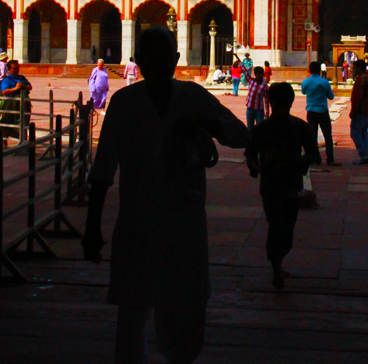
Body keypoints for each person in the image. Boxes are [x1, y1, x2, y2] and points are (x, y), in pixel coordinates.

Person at [82, 27, 248, 364]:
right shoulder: (125, 102)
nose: (158, 64)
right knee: (132, 312)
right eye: (151, 58)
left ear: (175, 60)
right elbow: (102, 169)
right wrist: (92, 226)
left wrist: (202, 125)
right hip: (138, 221)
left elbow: (239, 135)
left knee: (186, 308)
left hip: (183, 222)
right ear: (140, 61)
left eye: (164, 58)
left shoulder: (192, 97)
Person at [244, 82, 320, 290]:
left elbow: (312, 153)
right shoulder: (265, 129)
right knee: (277, 225)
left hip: (288, 183)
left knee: (286, 229)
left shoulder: (296, 127)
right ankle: (276, 266)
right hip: (273, 184)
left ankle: (277, 260)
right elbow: (250, 155)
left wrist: (300, 162)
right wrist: (257, 166)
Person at [300, 61, 340, 166]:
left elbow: (303, 92)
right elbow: (331, 96)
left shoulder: (306, 82)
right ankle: (330, 158)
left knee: (313, 136)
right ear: (319, 70)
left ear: (310, 70)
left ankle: (316, 158)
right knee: (327, 135)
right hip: (322, 110)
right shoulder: (324, 82)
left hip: (311, 110)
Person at [0, 59, 32, 142]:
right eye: (14, 68)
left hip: (23, 104)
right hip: (11, 104)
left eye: (17, 68)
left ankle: (23, 143)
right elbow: (5, 91)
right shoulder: (6, 80)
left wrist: (23, 86)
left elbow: (30, 87)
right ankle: (2, 142)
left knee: (23, 123)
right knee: (6, 123)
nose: (16, 70)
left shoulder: (21, 78)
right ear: (9, 69)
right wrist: (15, 88)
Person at [348, 59, 368, 165]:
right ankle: (365, 155)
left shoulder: (361, 80)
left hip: (360, 111)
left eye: (354, 67)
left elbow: (359, 97)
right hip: (365, 110)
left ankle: (362, 155)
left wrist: (354, 111)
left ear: (359, 68)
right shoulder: (367, 79)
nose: (353, 69)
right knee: (363, 133)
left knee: (355, 133)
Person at [238, 61, 268, 130]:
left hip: (259, 110)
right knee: (249, 128)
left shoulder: (265, 86)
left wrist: (267, 113)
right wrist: (239, 61)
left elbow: (266, 100)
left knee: (260, 129)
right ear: (256, 74)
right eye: (259, 74)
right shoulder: (251, 81)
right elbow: (245, 71)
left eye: (261, 74)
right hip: (250, 108)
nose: (260, 76)